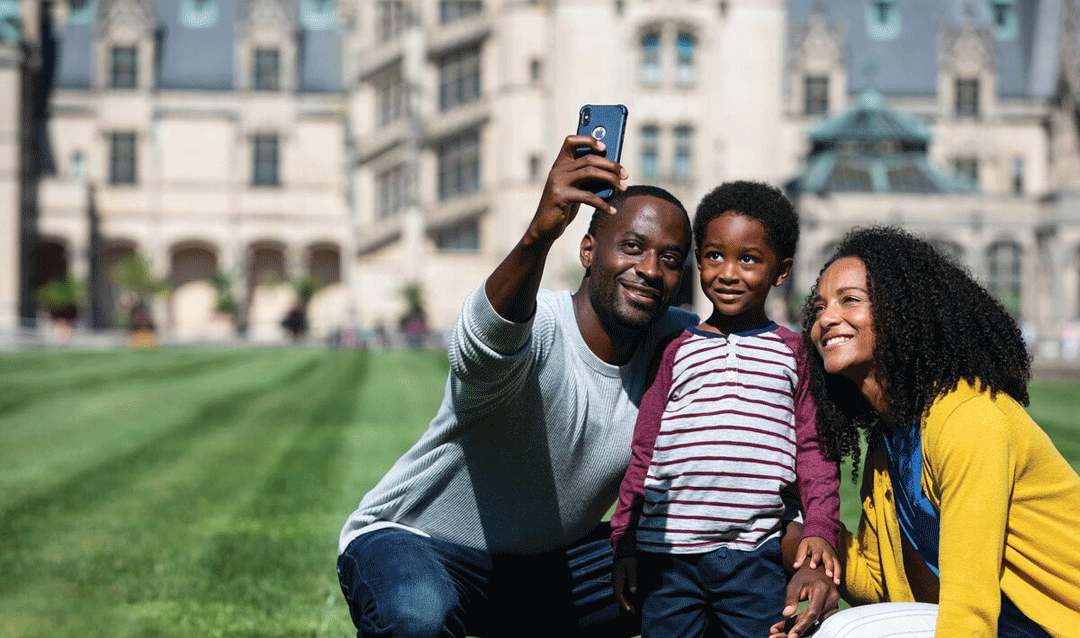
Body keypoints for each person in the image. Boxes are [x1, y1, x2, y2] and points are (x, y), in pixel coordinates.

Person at [337, 136, 836, 638]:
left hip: (552, 567)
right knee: (419, 616)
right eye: (633, 247)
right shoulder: (541, 325)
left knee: (686, 574)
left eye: (670, 258)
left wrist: (810, 550)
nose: (649, 269)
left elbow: (766, 440)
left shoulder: (682, 343)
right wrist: (538, 233)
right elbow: (481, 342)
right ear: (589, 248)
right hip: (420, 543)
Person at [771, 226, 1080, 638]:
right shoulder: (889, 442)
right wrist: (792, 522)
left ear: (903, 309)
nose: (826, 318)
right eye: (818, 306)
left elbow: (968, 615)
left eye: (850, 300)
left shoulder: (968, 418)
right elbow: (879, 585)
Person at [610, 181, 842, 638]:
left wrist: (819, 526)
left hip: (755, 554)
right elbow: (645, 450)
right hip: (667, 557)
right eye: (714, 256)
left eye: (749, 259)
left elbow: (814, 450)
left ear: (781, 271)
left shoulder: (794, 353)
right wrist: (625, 542)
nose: (728, 273)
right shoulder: (675, 350)